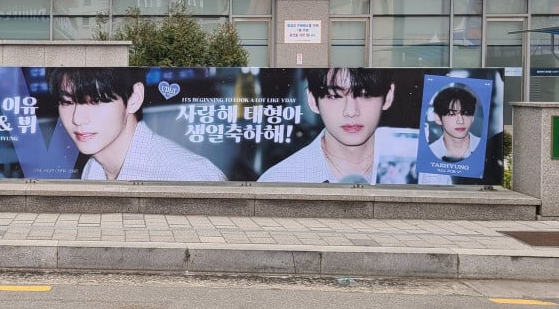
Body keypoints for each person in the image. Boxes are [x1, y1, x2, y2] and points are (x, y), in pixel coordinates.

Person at [47, 67, 226, 181]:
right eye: (67, 102)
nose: (78, 119)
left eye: (96, 101)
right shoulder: (93, 168)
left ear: (134, 98)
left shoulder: (187, 176)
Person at [258, 67, 394, 184]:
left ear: (388, 96)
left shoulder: (405, 177)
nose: (351, 111)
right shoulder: (278, 180)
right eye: (335, 96)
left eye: (365, 94)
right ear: (312, 100)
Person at [429, 85, 480, 161]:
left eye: (465, 113)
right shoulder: (431, 151)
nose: (460, 121)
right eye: (452, 114)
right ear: (438, 118)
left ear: (472, 118)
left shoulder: (485, 147)